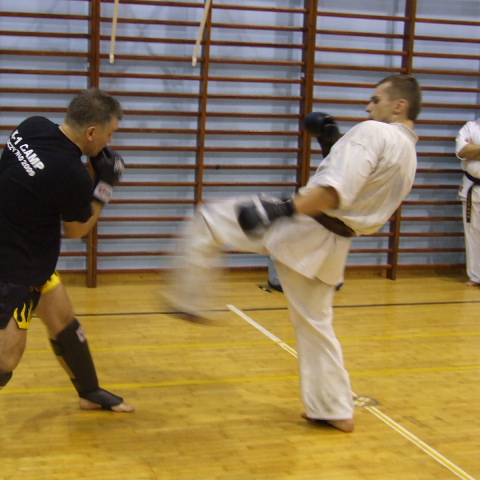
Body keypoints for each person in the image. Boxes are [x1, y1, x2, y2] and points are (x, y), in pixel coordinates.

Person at [164, 74, 422, 433]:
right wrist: (331, 146)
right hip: (335, 243)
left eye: (376, 100)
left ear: (399, 105)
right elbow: (357, 190)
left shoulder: (372, 132)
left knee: (208, 219)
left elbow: (333, 192)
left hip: (305, 226)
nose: (368, 107)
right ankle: (333, 408)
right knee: (315, 326)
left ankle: (191, 300)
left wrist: (279, 211)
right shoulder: (409, 153)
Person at [0, 88, 134, 456]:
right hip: (6, 270)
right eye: (109, 133)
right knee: (3, 360)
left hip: (25, 256)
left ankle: (89, 392)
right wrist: (104, 186)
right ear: (91, 132)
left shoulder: (32, 126)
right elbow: (76, 230)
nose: (110, 141)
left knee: (64, 322)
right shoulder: (70, 172)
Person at [456, 89, 480, 290]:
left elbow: (470, 152)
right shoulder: (471, 127)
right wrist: (475, 150)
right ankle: (475, 275)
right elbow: (462, 151)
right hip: (472, 188)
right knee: (473, 233)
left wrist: (475, 150)